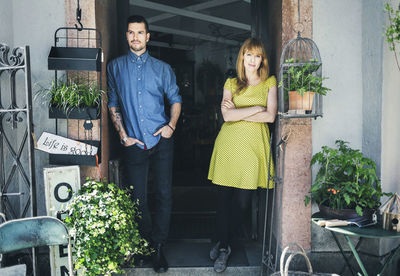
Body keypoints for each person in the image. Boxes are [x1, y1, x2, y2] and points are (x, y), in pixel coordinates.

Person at [107, 15, 182, 273]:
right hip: (134, 143)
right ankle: (145, 245)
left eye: (140, 32)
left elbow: (175, 99)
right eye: (131, 32)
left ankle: (159, 247)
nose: (135, 37)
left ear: (148, 37)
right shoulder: (115, 67)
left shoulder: (162, 68)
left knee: (163, 194)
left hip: (160, 140)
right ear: (126, 35)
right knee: (137, 197)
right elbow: (113, 102)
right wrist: (122, 135)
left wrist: (170, 126)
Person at [208, 37, 277, 273]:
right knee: (223, 201)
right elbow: (226, 117)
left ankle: (221, 240)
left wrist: (240, 112)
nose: (253, 60)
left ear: (262, 60)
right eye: (249, 55)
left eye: (257, 56)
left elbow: (270, 117)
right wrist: (256, 109)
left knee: (242, 203)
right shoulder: (231, 82)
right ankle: (224, 247)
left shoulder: (270, 82)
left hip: (253, 150)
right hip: (228, 146)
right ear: (242, 57)